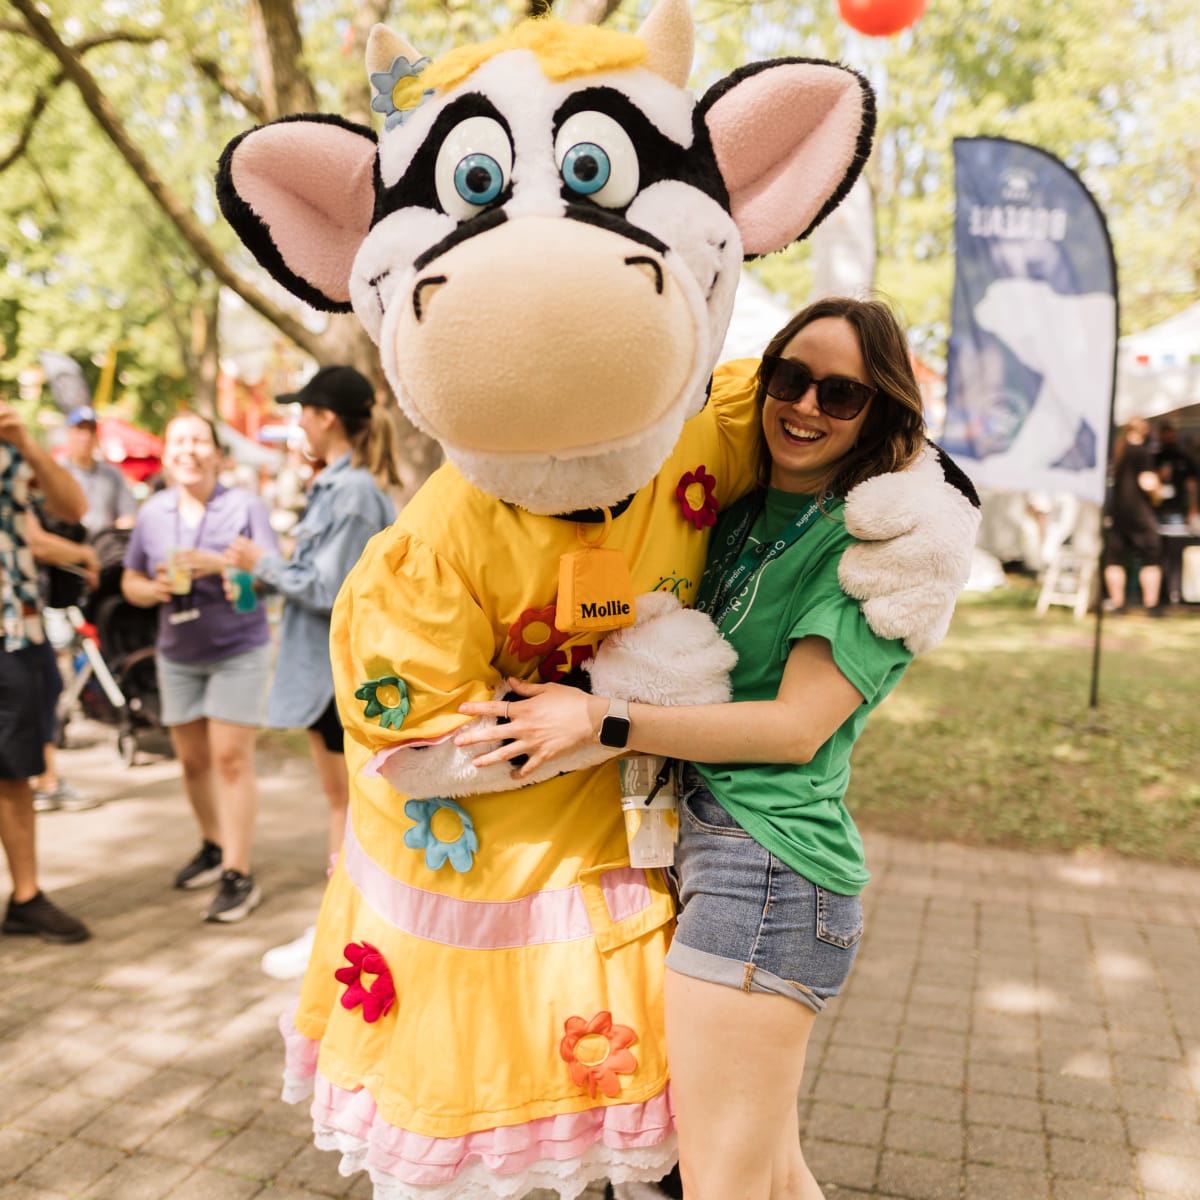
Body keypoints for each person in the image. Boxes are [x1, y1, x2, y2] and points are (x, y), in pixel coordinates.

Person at [459, 298, 942, 1199]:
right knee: (770, 1174)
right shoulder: (741, 509)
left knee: (716, 1180)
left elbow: (796, 728)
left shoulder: (878, 549)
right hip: (709, 852)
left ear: (878, 411)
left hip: (767, 873)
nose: (804, 406)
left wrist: (603, 721)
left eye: (839, 394)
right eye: (789, 379)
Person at [223, 366, 398, 978]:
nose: (297, 421)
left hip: (334, 672)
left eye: (303, 411)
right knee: (343, 800)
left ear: (326, 417)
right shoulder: (340, 487)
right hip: (328, 669)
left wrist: (263, 563)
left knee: (346, 802)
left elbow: (330, 587)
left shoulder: (350, 493)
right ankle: (340, 922)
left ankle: (342, 928)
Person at [121, 412, 279, 922]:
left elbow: (273, 574)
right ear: (167, 454)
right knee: (191, 763)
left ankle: (239, 872)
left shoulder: (244, 505)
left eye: (198, 440)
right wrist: (152, 589)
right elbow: (130, 581)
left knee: (230, 760)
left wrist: (225, 567)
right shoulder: (153, 513)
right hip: (178, 654)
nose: (188, 449)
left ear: (216, 452)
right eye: (179, 440)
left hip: (238, 649)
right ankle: (212, 846)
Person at [0, 397, 92, 944]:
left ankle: (26, 897)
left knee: (15, 771)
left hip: (18, 633)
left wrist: (28, 444)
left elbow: (73, 507)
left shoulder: (12, 451)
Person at [23, 508, 102, 813]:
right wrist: (84, 554)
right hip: (17, 625)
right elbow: (37, 542)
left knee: (46, 688)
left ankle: (46, 780)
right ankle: (46, 782)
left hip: (27, 618)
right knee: (42, 689)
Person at [1103, 416, 1164, 616]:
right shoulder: (1141, 452)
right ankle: (1151, 605)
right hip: (1139, 514)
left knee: (1114, 560)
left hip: (1116, 513)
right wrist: (1158, 493)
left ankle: (1117, 604)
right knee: (1151, 559)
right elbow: (1147, 482)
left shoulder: (1116, 451)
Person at [61, 405, 137, 536]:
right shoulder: (58, 472)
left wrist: (109, 538)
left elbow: (129, 514)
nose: (86, 437)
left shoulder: (112, 473)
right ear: (69, 433)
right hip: (69, 547)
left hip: (106, 547)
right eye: (80, 429)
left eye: (91, 430)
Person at [1154, 421, 1198, 605]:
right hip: (1157, 510)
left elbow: (1192, 485)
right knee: (1158, 551)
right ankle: (1163, 591)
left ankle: (1174, 591)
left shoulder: (1183, 457)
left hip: (1177, 511)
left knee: (1175, 551)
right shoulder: (1155, 456)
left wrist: (1192, 508)